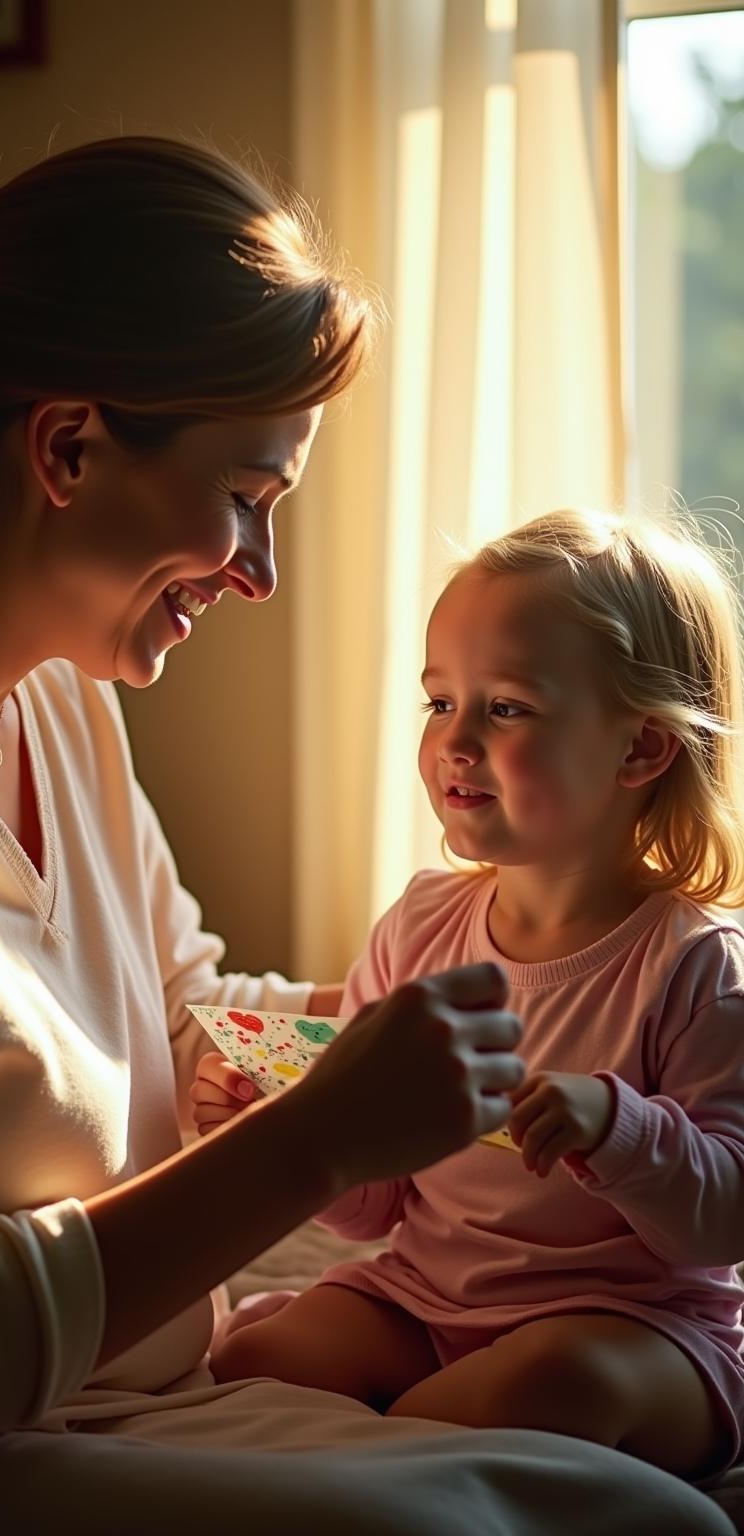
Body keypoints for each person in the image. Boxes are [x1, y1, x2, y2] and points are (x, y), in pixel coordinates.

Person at [0, 138, 731, 1536]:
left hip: (109, 1391)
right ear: (68, 447)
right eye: (248, 498)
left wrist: (434, 1036)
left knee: (656, 1518)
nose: (261, 573)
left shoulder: (58, 702)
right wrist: (316, 1142)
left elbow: (180, 1013)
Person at [205, 506, 744, 1484]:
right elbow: (374, 1205)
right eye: (440, 702)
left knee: (553, 1382)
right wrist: (290, 1119)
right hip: (426, 1300)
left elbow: (722, 1219)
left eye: (505, 709)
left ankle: (404, 1452)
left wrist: (615, 1130)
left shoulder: (696, 965)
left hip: (634, 1328)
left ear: (639, 750)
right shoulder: (420, 927)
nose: (454, 741)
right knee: (259, 1356)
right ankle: (419, 1439)